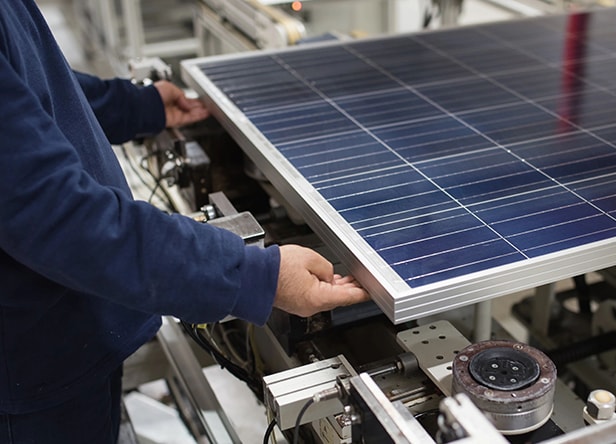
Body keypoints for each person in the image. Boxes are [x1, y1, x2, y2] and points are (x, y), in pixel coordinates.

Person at [0, 1, 369, 442]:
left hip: (68, 323)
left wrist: (132, 106)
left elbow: (31, 83)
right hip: (33, 364)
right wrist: (254, 277)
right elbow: (60, 218)